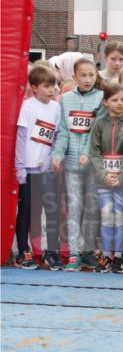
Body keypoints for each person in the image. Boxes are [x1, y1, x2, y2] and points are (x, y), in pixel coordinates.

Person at [52, 57, 104, 271]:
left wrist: (87, 153)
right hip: (72, 164)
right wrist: (57, 154)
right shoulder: (65, 100)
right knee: (74, 207)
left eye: (91, 75)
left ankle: (88, 251)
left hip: (91, 165)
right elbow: (63, 130)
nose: (87, 79)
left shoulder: (101, 98)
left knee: (92, 208)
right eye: (83, 75)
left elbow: (96, 131)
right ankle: (74, 252)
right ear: (74, 77)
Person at [14, 63, 61, 269]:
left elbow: (57, 136)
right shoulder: (28, 106)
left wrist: (54, 157)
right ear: (34, 87)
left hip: (48, 170)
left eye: (53, 85)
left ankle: (52, 251)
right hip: (30, 169)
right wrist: (20, 168)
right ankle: (23, 251)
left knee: (52, 210)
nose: (51, 90)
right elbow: (21, 138)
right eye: (46, 86)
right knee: (26, 210)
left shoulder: (56, 107)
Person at [89, 83, 123, 273]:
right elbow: (94, 153)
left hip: (122, 180)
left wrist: (121, 176)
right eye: (114, 100)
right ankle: (106, 256)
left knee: (120, 215)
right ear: (105, 102)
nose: (119, 103)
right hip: (103, 180)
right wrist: (105, 175)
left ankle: (118, 256)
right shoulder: (99, 124)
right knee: (107, 215)